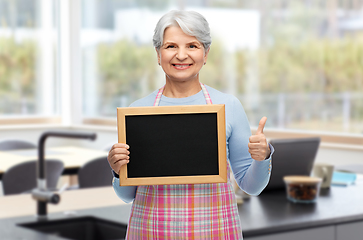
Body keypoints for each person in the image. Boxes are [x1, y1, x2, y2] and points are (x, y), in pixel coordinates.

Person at [107, 10, 274, 239]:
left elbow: (251, 186)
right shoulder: (137, 112)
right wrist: (118, 171)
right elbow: (127, 195)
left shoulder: (229, 106)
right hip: (150, 231)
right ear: (158, 54)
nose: (181, 55)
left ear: (205, 53)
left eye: (192, 46)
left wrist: (262, 157)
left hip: (214, 231)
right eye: (171, 46)